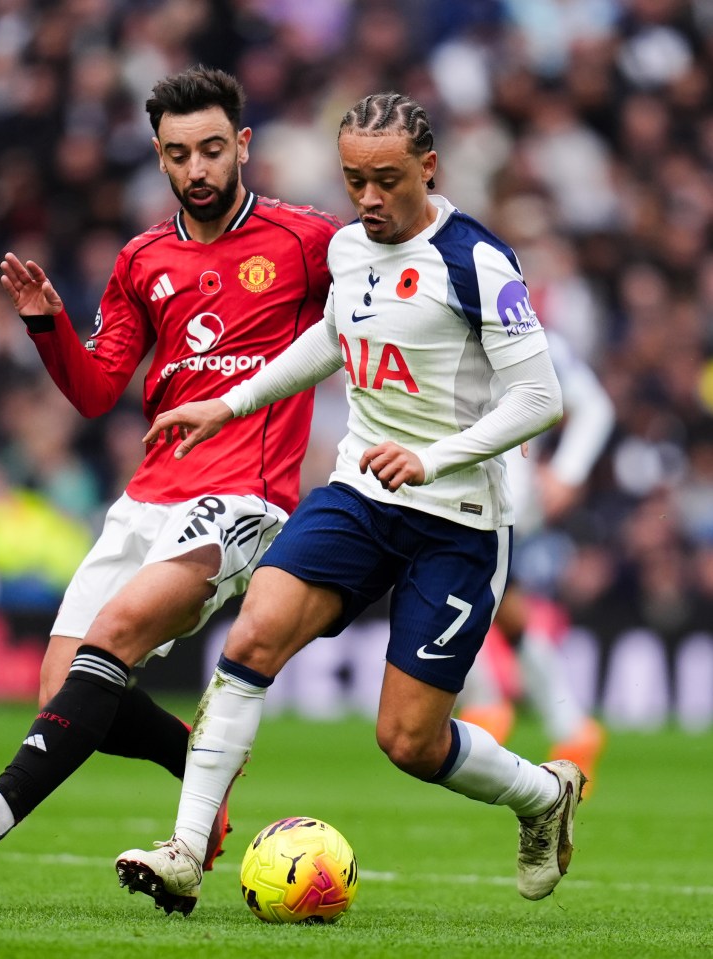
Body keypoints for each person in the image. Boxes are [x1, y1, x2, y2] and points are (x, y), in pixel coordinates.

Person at [115, 91, 587, 917]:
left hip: (460, 518)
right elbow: (332, 339)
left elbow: (540, 398)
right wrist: (228, 404)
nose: (368, 199)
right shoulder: (347, 251)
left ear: (428, 168)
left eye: (387, 180)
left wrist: (434, 455)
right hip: (361, 494)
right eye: (354, 180)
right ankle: (187, 849)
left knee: (408, 740)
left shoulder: (477, 261)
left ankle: (543, 795)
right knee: (255, 631)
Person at [0, 65, 340, 876]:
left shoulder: (307, 241)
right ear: (159, 158)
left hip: (242, 495)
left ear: (243, 146)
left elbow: (385, 287)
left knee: (111, 640)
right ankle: (200, 763)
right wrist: (49, 326)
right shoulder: (141, 259)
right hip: (150, 492)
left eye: (214, 149)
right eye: (180, 153)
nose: (199, 169)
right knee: (64, 686)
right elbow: (94, 393)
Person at [459, 328, 614, 780]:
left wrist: (567, 472)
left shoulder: (526, 331)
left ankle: (486, 705)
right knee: (502, 603)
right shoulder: (435, 308)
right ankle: (571, 728)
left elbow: (594, 406)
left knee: (443, 584)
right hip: (460, 484)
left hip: (499, 488)